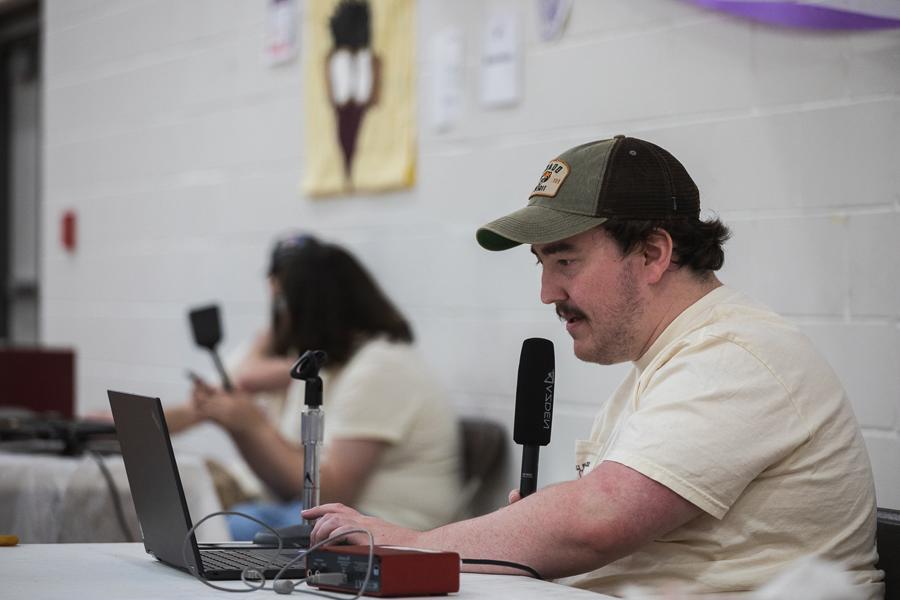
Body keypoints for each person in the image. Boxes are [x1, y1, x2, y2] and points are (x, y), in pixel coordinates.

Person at [302, 136, 884, 598]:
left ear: (653, 254)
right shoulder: (668, 363)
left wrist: (412, 546)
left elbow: (599, 518)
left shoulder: (737, 356)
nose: (547, 291)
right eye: (540, 263)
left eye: (565, 260)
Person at [191, 235, 462, 539]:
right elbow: (289, 485)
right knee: (210, 519)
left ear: (316, 308)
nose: (279, 316)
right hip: (336, 514)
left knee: (220, 529)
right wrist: (242, 427)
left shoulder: (382, 367)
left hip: (386, 524)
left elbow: (330, 490)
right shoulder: (331, 365)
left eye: (283, 303)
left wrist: (252, 426)